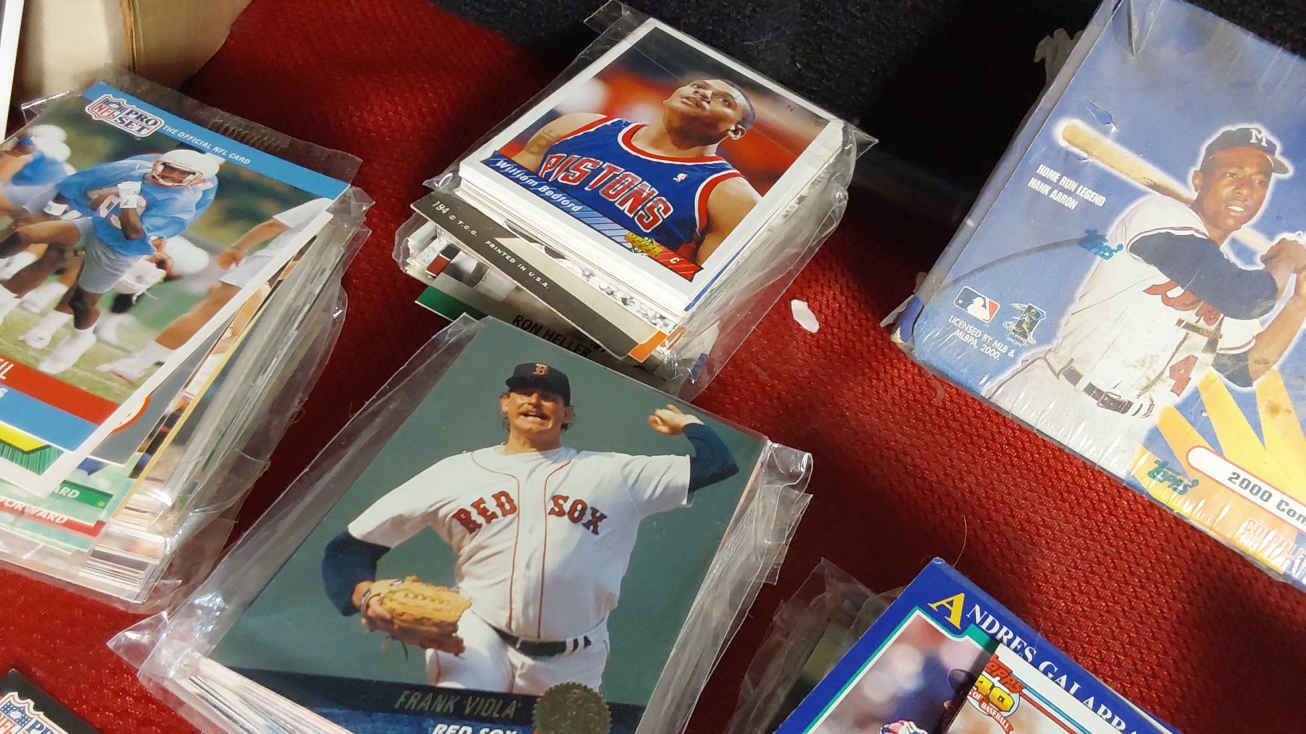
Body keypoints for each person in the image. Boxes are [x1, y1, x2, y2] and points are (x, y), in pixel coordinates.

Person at [321, 362, 739, 696]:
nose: (535, 401)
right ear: (505, 403)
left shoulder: (614, 474)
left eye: (550, 396)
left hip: (577, 657)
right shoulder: (452, 473)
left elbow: (716, 464)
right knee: (458, 720)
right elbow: (348, 549)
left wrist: (690, 424)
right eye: (524, 392)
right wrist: (365, 596)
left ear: (567, 413)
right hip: (476, 637)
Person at [986, 126, 1306, 476]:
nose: (1246, 189)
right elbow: (1243, 297)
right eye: (1233, 174)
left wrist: (1299, 302)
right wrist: (1287, 258)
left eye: (1260, 182)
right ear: (1199, 180)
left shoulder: (1226, 275)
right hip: (1057, 393)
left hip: (1123, 432)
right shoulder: (1160, 215)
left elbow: (1245, 368)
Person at [0, 148, 221, 374]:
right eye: (170, 168)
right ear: (159, 162)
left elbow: (133, 233)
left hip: (119, 249)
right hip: (95, 225)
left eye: (181, 173)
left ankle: (80, 338)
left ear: (196, 179)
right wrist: (56, 208)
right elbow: (76, 181)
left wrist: (127, 200)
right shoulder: (136, 169)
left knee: (82, 302)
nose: (172, 174)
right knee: (26, 234)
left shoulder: (180, 203)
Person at [508, 78, 761, 269]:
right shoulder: (578, 125)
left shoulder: (732, 196)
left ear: (736, 131)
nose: (703, 93)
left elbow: (697, 285)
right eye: (697, 86)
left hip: (593, 281)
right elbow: (502, 182)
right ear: (669, 96)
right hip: (512, 237)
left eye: (724, 100)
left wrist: (617, 237)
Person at [96, 197, 331, 381]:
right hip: (307, 282)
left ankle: (134, 366)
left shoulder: (326, 203)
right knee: (238, 333)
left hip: (271, 267)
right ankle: (170, 373)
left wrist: (238, 248)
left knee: (204, 315)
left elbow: (274, 225)